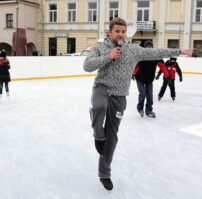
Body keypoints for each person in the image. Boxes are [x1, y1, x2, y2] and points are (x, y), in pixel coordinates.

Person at [83, 17, 193, 191]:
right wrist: (108, 56)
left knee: (112, 137)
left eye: (123, 31)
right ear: (109, 33)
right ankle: (98, 134)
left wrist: (178, 51)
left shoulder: (133, 50)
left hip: (119, 96)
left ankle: (105, 174)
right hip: (102, 89)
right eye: (117, 31)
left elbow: (156, 53)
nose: (120, 34)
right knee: (98, 107)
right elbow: (87, 66)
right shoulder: (100, 48)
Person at [132, 40, 170, 118]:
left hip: (149, 79)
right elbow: (135, 65)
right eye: (147, 46)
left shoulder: (156, 56)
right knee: (142, 93)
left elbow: (162, 66)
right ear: (145, 47)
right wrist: (132, 73)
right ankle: (140, 109)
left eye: (150, 46)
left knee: (150, 95)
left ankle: (149, 110)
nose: (149, 48)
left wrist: (167, 75)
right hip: (139, 78)